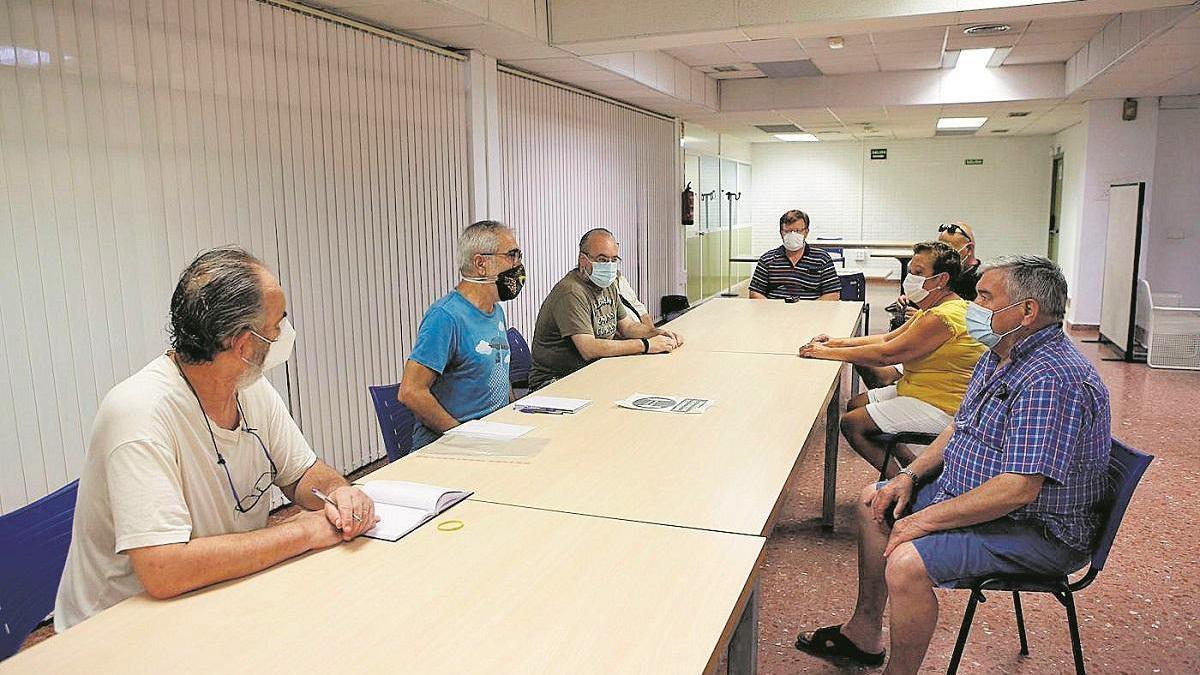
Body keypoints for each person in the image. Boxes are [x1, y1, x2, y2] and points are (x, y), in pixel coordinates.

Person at [794, 256, 1111, 675]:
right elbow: (961, 423)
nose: (974, 307)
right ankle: (863, 635)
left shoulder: (1050, 378)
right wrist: (909, 475)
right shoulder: (1002, 353)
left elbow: (1018, 488)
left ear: (1027, 311)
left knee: (907, 564)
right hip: (979, 497)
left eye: (984, 297)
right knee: (876, 501)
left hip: (1034, 527)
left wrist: (925, 522)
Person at [55, 247, 379, 630]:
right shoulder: (139, 413)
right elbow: (164, 569)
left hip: (217, 596)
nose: (283, 335)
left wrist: (339, 492)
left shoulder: (248, 386)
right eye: (277, 325)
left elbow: (301, 472)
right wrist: (302, 531)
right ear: (243, 345)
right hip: (118, 630)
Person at [799, 242, 986, 474]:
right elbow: (887, 339)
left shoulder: (942, 317)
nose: (911, 278)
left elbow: (886, 355)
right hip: (922, 389)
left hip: (943, 405)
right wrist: (834, 342)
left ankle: (900, 482)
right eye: (911, 272)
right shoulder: (937, 308)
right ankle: (913, 468)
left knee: (852, 423)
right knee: (855, 404)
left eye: (919, 273)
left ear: (941, 279)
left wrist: (826, 353)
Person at [400, 220, 525, 450]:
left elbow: (498, 368)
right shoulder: (446, 317)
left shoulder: (495, 310)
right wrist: (463, 436)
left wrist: (512, 417)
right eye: (512, 255)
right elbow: (411, 391)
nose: (518, 264)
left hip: (492, 437)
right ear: (481, 263)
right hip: (451, 447)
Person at [529, 228, 683, 389]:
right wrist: (646, 345)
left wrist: (658, 333)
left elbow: (628, 327)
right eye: (602, 260)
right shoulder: (571, 292)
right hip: (555, 383)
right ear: (583, 260)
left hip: (593, 373)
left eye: (614, 260)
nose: (609, 266)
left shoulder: (608, 284)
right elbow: (588, 348)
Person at [889, 222, 981, 329]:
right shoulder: (940, 271)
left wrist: (926, 318)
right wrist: (911, 297)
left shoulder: (982, 282)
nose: (944, 254)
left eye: (949, 249)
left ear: (968, 249)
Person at [748, 209, 842, 301]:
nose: (792, 235)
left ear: (806, 232)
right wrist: (772, 309)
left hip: (811, 314)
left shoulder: (822, 259)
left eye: (797, 231)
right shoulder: (767, 260)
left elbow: (833, 294)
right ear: (781, 233)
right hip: (775, 313)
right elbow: (755, 292)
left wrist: (808, 310)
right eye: (787, 231)